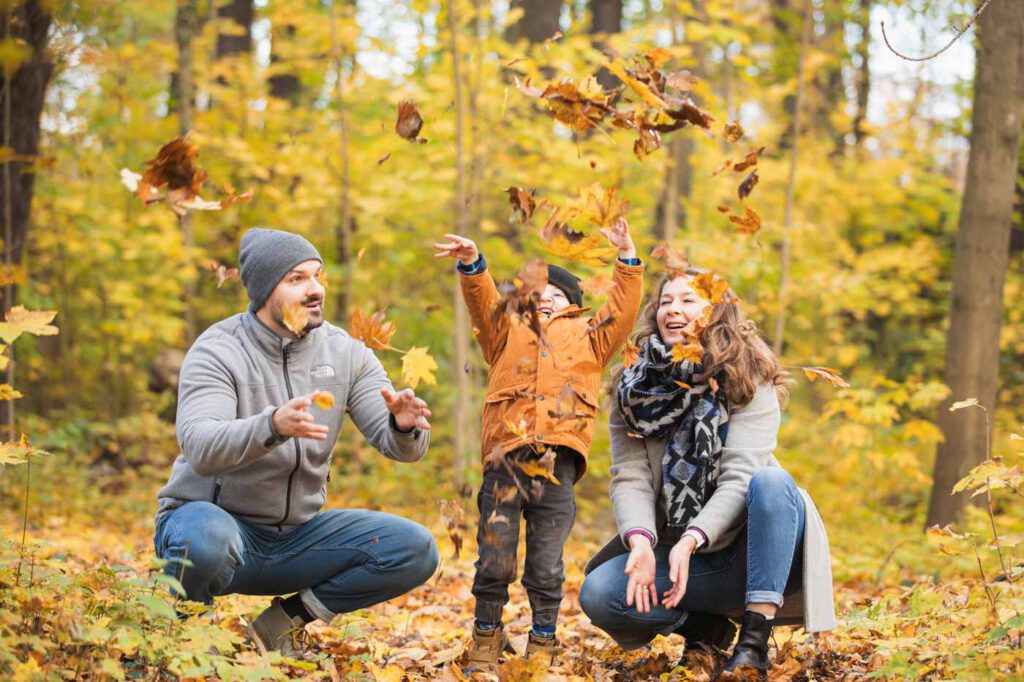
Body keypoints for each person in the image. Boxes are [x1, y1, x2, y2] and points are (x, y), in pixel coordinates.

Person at [155, 227, 439, 659]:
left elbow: (401, 448)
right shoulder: (218, 350)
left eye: (317, 276)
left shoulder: (346, 354)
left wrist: (403, 426)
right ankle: (187, 635)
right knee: (204, 536)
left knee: (415, 548)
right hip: (220, 531)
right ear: (265, 290)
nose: (315, 289)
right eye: (297, 279)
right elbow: (200, 446)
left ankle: (282, 623)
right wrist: (271, 425)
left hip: (296, 538)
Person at [578, 267, 836, 680]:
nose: (673, 309)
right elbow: (630, 474)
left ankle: (753, 644)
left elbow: (740, 478)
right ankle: (704, 630)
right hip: (686, 559)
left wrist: (692, 538)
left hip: (755, 553)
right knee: (600, 593)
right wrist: (640, 541)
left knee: (772, 482)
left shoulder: (749, 376)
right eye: (665, 301)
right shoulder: (632, 388)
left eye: (688, 300)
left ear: (715, 312)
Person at [433, 219, 643, 666]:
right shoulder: (506, 330)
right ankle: (486, 636)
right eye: (537, 294)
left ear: (575, 306)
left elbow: (623, 310)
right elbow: (483, 301)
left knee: (546, 565)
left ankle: (543, 641)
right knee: (494, 558)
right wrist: (472, 264)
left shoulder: (590, 336)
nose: (545, 300)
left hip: (557, 466)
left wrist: (627, 258)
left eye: (557, 296)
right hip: (505, 463)